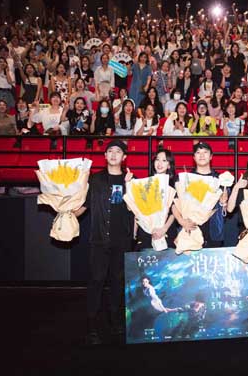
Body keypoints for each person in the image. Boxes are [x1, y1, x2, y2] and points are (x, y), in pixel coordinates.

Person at [73, 140, 134, 345]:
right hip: (99, 240)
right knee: (96, 281)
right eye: (110, 151)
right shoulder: (95, 180)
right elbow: (83, 205)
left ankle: (116, 323)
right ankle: (91, 326)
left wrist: (129, 186)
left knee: (117, 283)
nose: (114, 154)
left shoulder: (130, 180)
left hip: (121, 241)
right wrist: (66, 212)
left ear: (124, 157)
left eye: (118, 151)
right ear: (105, 155)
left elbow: (136, 209)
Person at [172, 141, 228, 247]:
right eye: (198, 152)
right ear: (194, 157)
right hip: (188, 228)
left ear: (211, 156)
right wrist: (181, 221)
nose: (202, 155)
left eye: (205, 152)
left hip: (213, 231)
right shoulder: (185, 178)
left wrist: (223, 203)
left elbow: (226, 208)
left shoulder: (220, 180)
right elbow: (174, 203)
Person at [133, 149, 178, 250]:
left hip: (166, 230)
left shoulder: (174, 185)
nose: (159, 163)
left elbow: (174, 212)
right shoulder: (146, 183)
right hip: (146, 230)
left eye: (164, 160)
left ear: (169, 165)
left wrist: (164, 229)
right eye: (157, 159)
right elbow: (138, 210)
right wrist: (135, 231)